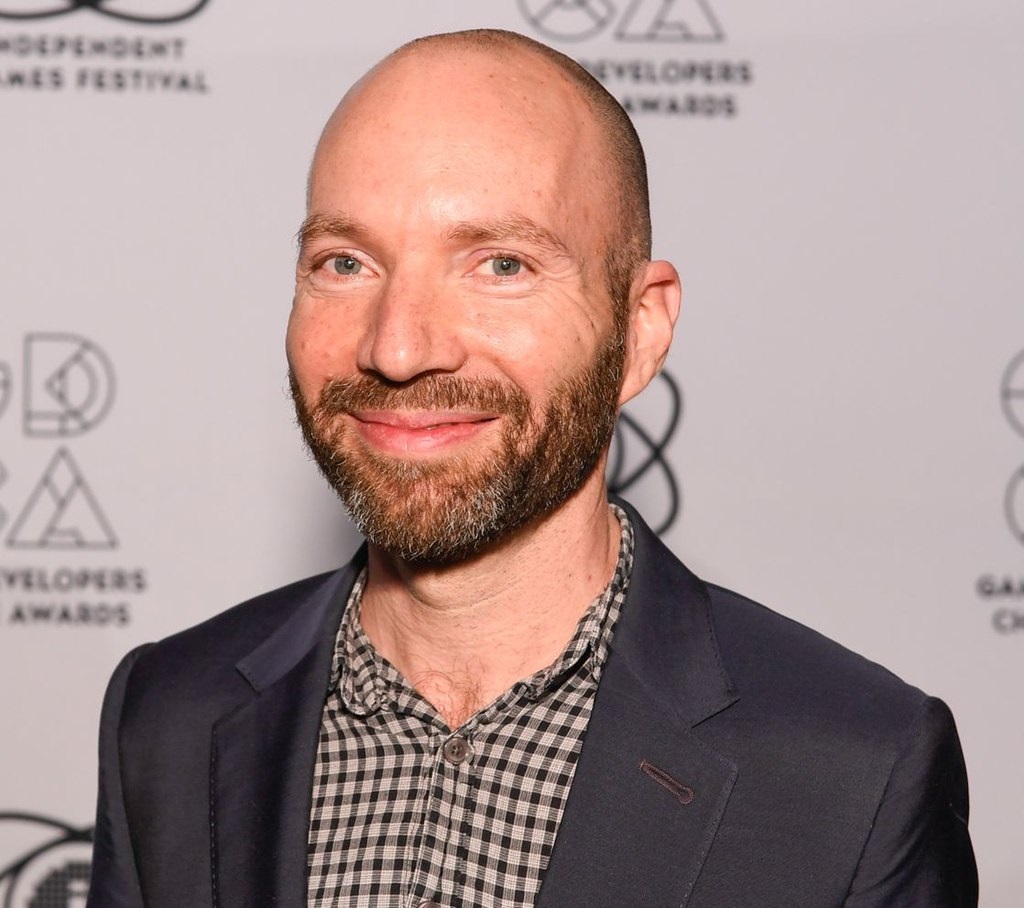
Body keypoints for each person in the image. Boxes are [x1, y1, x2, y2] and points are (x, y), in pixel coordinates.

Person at [86, 28, 977, 908]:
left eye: (500, 265)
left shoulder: (853, 772)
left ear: (640, 330)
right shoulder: (166, 717)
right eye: (346, 263)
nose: (398, 348)